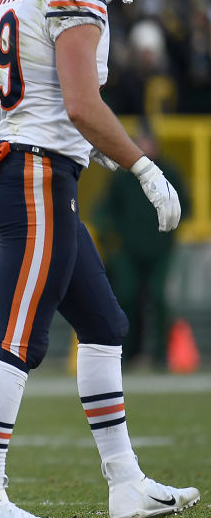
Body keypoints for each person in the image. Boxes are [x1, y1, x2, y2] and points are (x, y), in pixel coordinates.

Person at [0, 0, 199, 518]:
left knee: (104, 323)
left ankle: (126, 485)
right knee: (18, 338)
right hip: (36, 175)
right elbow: (84, 105)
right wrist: (145, 168)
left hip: (28, 169)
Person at [94, 129, 188, 366]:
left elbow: (185, 204)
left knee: (158, 297)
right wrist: (111, 239)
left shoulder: (169, 172)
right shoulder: (124, 176)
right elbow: (105, 210)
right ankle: (129, 352)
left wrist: (172, 233)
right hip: (129, 249)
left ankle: (159, 354)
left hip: (160, 249)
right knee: (127, 295)